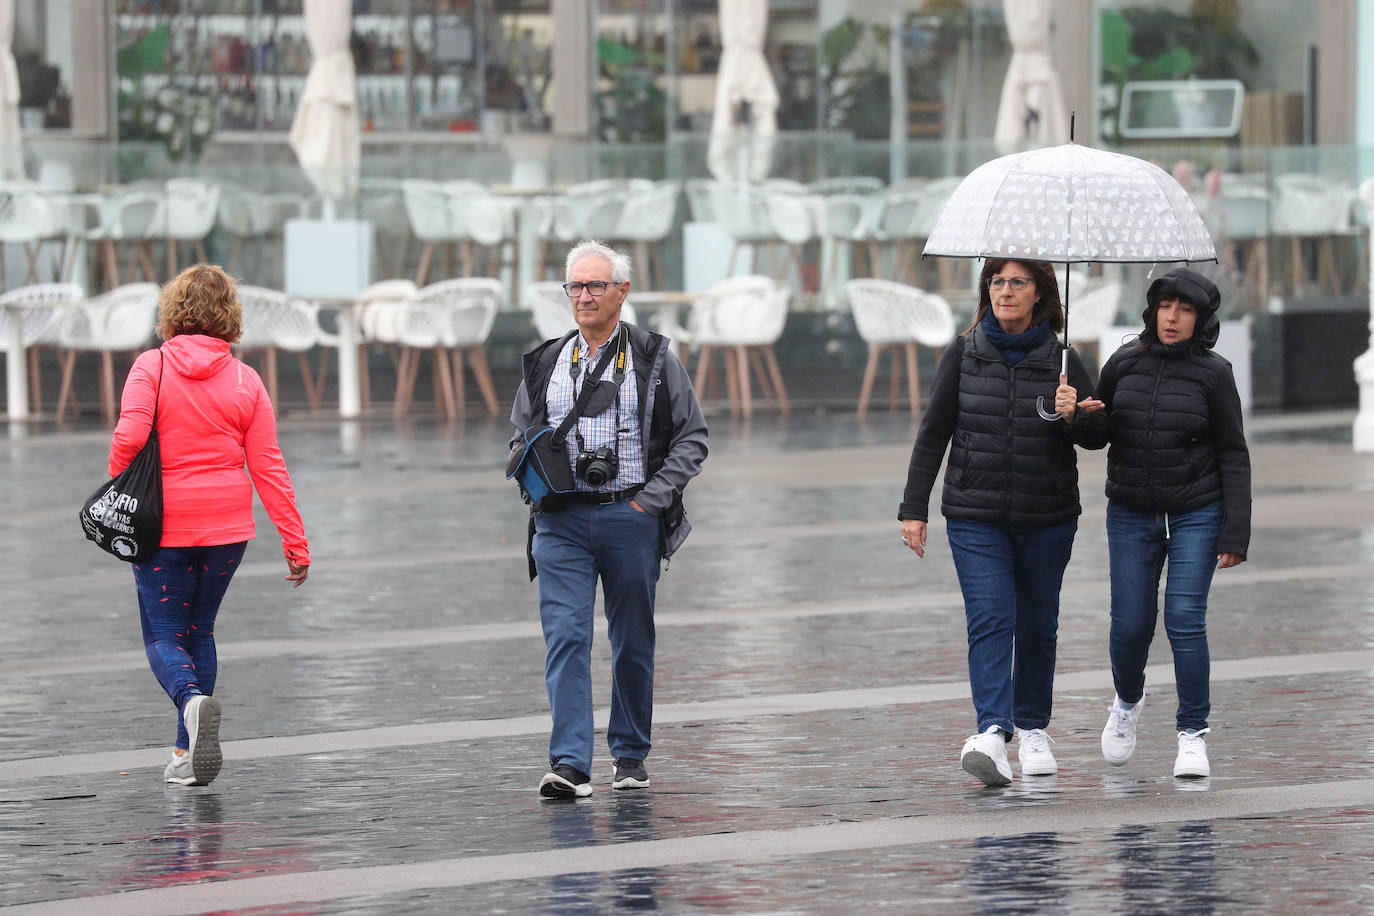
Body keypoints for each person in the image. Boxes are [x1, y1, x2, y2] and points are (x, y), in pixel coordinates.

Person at [508, 240, 708, 799]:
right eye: (576, 285)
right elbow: (519, 435)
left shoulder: (653, 357)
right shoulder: (547, 361)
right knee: (566, 637)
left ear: (622, 291)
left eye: (597, 285)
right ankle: (570, 762)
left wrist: (652, 501)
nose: (585, 296)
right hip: (561, 523)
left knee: (631, 639)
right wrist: (536, 479)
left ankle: (629, 754)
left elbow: (693, 436)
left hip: (630, 515)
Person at [898, 259, 1106, 787]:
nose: (1005, 291)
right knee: (991, 618)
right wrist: (913, 508)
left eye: (1018, 283)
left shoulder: (1064, 359)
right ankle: (992, 730)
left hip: (1048, 514)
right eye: (997, 282)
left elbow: (1099, 435)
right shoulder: (963, 353)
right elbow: (933, 431)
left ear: (1040, 294)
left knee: (1038, 624)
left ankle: (1034, 729)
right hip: (975, 514)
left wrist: (1074, 414)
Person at [108, 264, 310, 788]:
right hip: (227, 531)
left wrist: (119, 490)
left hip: (162, 526)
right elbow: (268, 465)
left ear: (173, 311)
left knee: (162, 634)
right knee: (200, 631)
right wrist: (294, 540)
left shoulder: (150, 366)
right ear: (229, 317)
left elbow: (129, 437)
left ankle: (191, 701)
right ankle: (184, 754)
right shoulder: (246, 378)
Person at [1075, 267, 1250, 779]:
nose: (1172, 318)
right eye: (1166, 307)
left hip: (1197, 511)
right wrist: (1076, 416)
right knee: (1130, 624)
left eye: (1186, 310)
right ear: (1151, 311)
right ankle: (1127, 701)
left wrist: (1235, 530)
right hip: (1131, 512)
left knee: (1184, 621)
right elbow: (1097, 434)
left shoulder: (1215, 374)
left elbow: (1233, 452)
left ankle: (1192, 733)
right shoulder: (1124, 363)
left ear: (1202, 318)